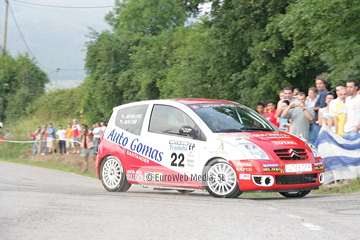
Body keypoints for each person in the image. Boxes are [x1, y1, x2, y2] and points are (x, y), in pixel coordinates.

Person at [309, 76, 329, 144]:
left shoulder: (324, 93)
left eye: (320, 83)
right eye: (317, 83)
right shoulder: (320, 93)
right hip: (316, 120)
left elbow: (322, 107)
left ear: (324, 84)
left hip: (319, 121)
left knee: (313, 140)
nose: (318, 85)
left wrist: (312, 108)